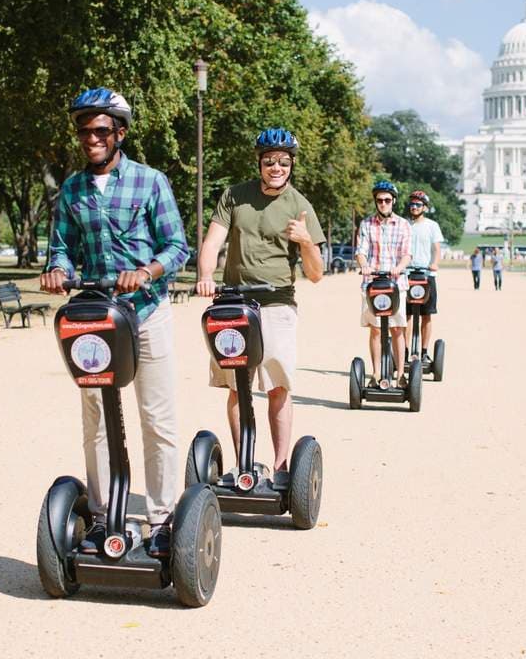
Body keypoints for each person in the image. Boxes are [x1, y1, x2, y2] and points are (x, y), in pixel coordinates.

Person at [40, 87, 189, 559]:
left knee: (157, 418)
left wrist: (145, 271)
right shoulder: (72, 189)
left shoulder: (150, 182)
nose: (92, 139)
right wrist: (57, 269)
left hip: (145, 312)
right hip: (96, 317)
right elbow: (61, 247)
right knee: (97, 422)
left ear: (120, 133)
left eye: (101, 130)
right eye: (84, 131)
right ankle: (104, 516)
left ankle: (162, 519)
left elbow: (177, 247)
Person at [195, 128, 326, 487]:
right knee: (238, 385)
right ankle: (245, 465)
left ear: (291, 164)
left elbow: (316, 274)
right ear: (260, 163)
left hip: (277, 301)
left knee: (277, 385)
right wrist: (205, 275)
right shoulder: (235, 196)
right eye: (269, 161)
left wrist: (306, 242)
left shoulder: (300, 205)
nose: (276, 167)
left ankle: (282, 467)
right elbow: (213, 241)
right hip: (234, 300)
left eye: (283, 161)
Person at [356, 180, 411, 389]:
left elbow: (407, 254)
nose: (383, 203)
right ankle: (376, 373)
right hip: (372, 283)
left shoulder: (403, 225)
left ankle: (400, 374)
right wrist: (364, 265)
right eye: (380, 200)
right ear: (375, 202)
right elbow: (361, 251)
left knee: (397, 329)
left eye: (387, 200)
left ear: (393, 201)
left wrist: (399, 267)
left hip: (396, 283)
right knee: (376, 330)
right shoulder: (366, 224)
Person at [405, 190, 443, 364]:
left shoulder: (432, 226)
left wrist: (434, 263)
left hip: (427, 274)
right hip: (407, 274)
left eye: (418, 204)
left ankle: (424, 352)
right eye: (412, 204)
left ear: (425, 207)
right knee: (406, 315)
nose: (414, 207)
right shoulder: (404, 225)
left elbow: (436, 248)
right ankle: (405, 350)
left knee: (426, 315)